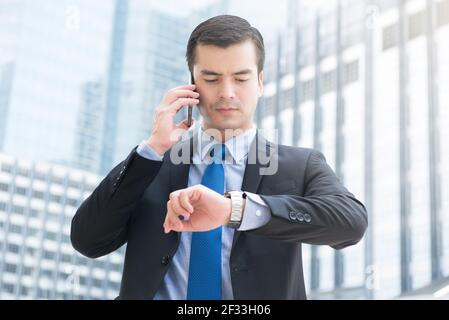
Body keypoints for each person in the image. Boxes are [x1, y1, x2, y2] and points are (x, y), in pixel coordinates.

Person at [71, 15, 368, 300]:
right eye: (211, 79)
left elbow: (351, 223)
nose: (227, 93)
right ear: (192, 85)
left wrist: (233, 210)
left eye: (241, 78)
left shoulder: (299, 166)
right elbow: (88, 241)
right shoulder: (153, 163)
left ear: (260, 82)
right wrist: (152, 148)